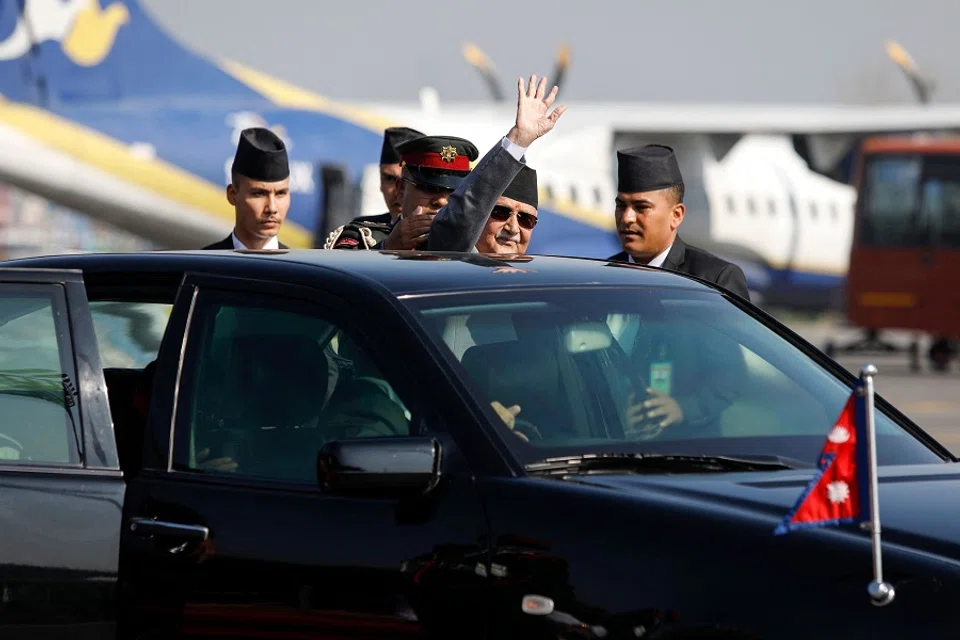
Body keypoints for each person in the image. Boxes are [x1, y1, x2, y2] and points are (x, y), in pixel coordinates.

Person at [379, 74, 565, 252]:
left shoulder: (538, 277)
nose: (443, 200)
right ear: (401, 189)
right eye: (429, 188)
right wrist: (386, 249)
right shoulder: (366, 239)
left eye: (455, 192)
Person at [607, 144, 750, 301]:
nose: (627, 218)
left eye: (641, 208)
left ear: (676, 215)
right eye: (621, 206)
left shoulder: (714, 280)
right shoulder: (602, 278)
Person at [324, 126, 424, 250]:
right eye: (389, 179)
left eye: (406, 181)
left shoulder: (441, 234)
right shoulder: (361, 233)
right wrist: (387, 247)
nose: (398, 191)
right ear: (380, 183)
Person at [204, 127, 291, 250]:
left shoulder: (301, 268)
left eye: (281, 193)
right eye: (259, 194)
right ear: (232, 194)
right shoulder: (201, 266)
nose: (272, 208)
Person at [474, 166, 539, 255]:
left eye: (526, 219)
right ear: (475, 215)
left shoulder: (545, 268)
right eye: (501, 213)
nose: (513, 228)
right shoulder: (451, 265)